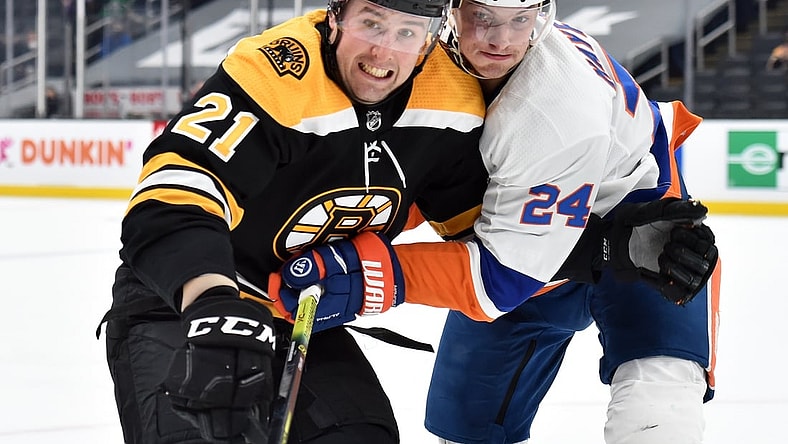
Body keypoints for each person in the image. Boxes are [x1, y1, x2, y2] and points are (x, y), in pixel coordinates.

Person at [271, 1, 720, 443]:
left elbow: (500, 279)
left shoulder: (553, 112)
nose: (501, 39)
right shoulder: (419, 61)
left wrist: (364, 271)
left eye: (519, 20)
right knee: (466, 431)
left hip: (642, 236)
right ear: (449, 11)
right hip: (518, 234)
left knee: (657, 416)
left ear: (539, 17)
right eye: (482, 16)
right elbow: (410, 181)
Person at [100, 1, 490, 443]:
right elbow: (172, 196)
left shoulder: (453, 95)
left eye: (407, 32)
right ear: (336, 16)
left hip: (298, 309)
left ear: (432, 36)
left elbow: (485, 230)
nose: (383, 52)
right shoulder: (277, 70)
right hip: (186, 303)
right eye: (371, 23)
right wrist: (210, 303)